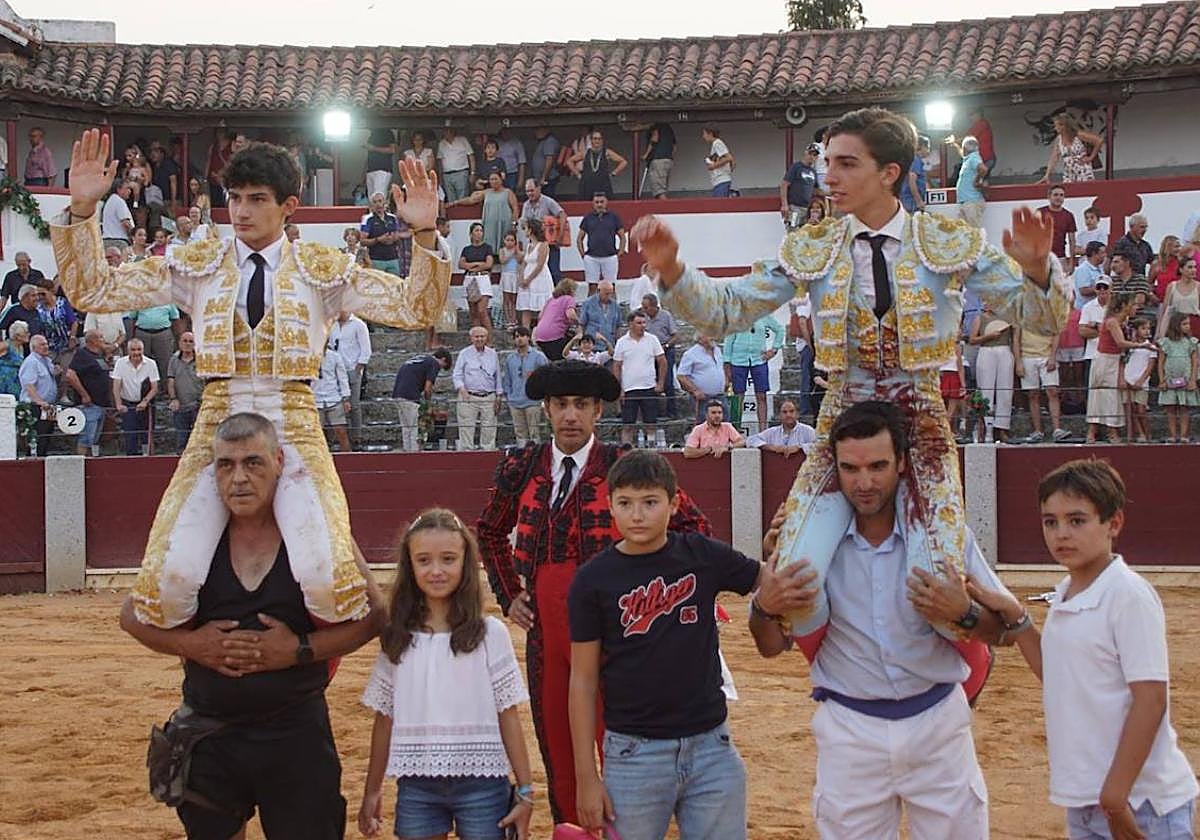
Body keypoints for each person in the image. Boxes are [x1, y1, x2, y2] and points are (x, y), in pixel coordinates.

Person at [631, 106, 1069, 639]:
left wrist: (1039, 270)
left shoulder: (947, 240)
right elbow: (729, 310)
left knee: (939, 591)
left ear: (888, 173)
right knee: (793, 587)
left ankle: (961, 663)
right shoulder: (813, 246)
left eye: (845, 164)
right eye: (825, 162)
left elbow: (1041, 316)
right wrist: (675, 271)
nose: (827, 177)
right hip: (841, 418)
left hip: (923, 421)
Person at [56, 129, 450, 630]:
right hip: (218, 425)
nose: (241, 212)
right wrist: (84, 213)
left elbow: (417, 307)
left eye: (256, 200)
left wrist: (423, 234)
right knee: (166, 586)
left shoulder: (321, 270)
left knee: (330, 584)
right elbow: (94, 290)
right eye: (234, 198)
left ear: (289, 205)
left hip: (296, 425)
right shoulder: (198, 265)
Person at [749, 401, 1009, 840]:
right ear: (836, 468)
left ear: (902, 463)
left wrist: (960, 612)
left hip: (937, 724)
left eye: (878, 466)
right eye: (850, 469)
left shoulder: (946, 536)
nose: (864, 482)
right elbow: (770, 645)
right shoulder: (807, 541)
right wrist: (762, 607)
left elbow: (1000, 631)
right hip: (849, 730)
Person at [119, 412, 385, 839]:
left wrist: (299, 649)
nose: (239, 478)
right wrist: (193, 645)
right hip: (209, 733)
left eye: (253, 462)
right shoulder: (194, 542)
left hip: (294, 731)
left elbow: (377, 616)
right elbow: (129, 615)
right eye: (226, 465)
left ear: (279, 461)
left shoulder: (315, 533)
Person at [476, 360, 711, 824]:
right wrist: (509, 595)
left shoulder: (625, 466)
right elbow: (488, 531)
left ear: (597, 411)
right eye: (561, 405)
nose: (570, 416)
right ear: (546, 409)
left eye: (581, 405)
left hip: (618, 631)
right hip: (547, 629)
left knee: (620, 743)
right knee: (559, 745)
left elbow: (691, 529)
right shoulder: (522, 466)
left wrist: (652, 602)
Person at [965, 459, 1199, 840]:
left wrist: (1115, 794)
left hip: (1142, 803)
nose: (1061, 534)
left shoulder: (1128, 595)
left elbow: (1151, 698)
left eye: (1077, 521)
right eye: (1050, 521)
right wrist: (1019, 618)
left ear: (1114, 523)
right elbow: (1060, 675)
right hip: (1088, 799)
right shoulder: (1066, 593)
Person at [568, 451, 756, 840]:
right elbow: (582, 680)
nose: (637, 515)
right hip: (633, 754)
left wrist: (789, 542)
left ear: (673, 505)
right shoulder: (592, 581)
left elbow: (766, 581)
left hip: (711, 749)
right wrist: (586, 776)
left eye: (650, 502)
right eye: (626, 503)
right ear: (610, 506)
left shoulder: (702, 555)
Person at [358, 508, 535, 840]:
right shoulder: (396, 639)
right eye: (424, 560)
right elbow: (384, 721)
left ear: (465, 563)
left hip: (484, 784)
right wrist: (372, 791)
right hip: (416, 785)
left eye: (448, 559)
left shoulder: (490, 634)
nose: (436, 570)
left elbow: (508, 714)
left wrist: (525, 790)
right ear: (410, 567)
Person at [1086, 293, 1145, 443]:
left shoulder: (1122, 322)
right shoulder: (1112, 322)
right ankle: (1092, 432)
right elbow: (1120, 342)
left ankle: (1112, 432)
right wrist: (1141, 345)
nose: (1135, 308)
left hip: (1115, 360)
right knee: (1099, 394)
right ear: (1124, 306)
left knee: (1113, 397)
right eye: (1133, 305)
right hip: (1104, 360)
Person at [723, 314, 784, 432]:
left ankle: (763, 430)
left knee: (761, 396)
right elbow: (729, 339)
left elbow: (780, 330)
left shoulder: (764, 314)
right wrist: (727, 362)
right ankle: (735, 429)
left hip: (759, 360)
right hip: (738, 360)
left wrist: (774, 349)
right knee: (738, 396)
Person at [1014, 313, 1070, 443]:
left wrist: (1052, 356)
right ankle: (1037, 430)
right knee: (1032, 394)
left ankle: (1057, 429)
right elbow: (1016, 339)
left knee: (1052, 391)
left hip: (1046, 355)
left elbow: (1056, 335)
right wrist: (1018, 362)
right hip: (1027, 357)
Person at [613, 311, 666, 446]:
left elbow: (662, 361)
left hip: (649, 387)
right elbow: (617, 366)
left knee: (651, 423)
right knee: (628, 425)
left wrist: (660, 383)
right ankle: (625, 452)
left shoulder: (652, 339)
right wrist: (618, 389)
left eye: (644, 323)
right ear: (630, 324)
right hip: (629, 389)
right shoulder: (622, 342)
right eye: (639, 323)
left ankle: (651, 450)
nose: (642, 326)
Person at [391, 347, 452, 452]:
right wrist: (428, 404)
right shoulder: (434, 363)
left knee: (406, 428)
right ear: (443, 359)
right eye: (443, 366)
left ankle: (407, 452)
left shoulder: (421, 358)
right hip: (410, 396)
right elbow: (428, 388)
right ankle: (414, 455)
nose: (440, 369)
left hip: (397, 394)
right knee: (415, 429)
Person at [969, 305, 1016, 443]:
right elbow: (972, 339)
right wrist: (988, 336)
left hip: (1004, 350)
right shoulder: (980, 318)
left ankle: (1002, 428)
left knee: (1005, 390)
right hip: (986, 351)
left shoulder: (1009, 316)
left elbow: (1014, 339)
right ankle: (985, 427)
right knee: (985, 390)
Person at [329, 311, 372, 451]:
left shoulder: (358, 325)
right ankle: (338, 438)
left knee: (354, 405)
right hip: (336, 368)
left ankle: (356, 437)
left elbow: (366, 349)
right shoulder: (332, 325)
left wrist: (358, 367)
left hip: (352, 367)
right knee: (335, 404)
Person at [454, 326, 502, 451]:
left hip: (488, 396)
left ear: (486, 338)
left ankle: (487, 451)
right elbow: (457, 374)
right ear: (471, 338)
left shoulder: (492, 354)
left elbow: (498, 376)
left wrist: (499, 396)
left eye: (482, 336)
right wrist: (462, 389)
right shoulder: (464, 354)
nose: (479, 339)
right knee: (466, 427)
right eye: (476, 336)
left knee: (489, 427)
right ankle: (467, 453)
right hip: (468, 396)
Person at [451, 170, 519, 257]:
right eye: (491, 179)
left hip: (504, 224)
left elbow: (515, 208)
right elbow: (471, 200)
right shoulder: (486, 192)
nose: (494, 181)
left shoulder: (508, 192)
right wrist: (455, 202)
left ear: (501, 180)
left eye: (496, 179)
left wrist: (514, 224)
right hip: (489, 225)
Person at [111, 337, 159, 455]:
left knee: (146, 436)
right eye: (133, 349)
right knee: (130, 436)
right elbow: (116, 385)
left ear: (143, 350)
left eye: (139, 349)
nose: (136, 352)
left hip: (146, 405)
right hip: (128, 404)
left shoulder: (151, 363)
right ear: (128, 351)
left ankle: (148, 461)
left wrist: (145, 401)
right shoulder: (120, 363)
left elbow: (155, 387)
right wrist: (118, 404)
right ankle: (130, 460)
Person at [503, 326, 550, 447]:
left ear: (528, 338)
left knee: (534, 432)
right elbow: (507, 379)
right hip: (515, 401)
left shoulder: (538, 356)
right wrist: (509, 396)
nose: (520, 339)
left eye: (522, 336)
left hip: (533, 401)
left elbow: (546, 377)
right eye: (517, 337)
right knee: (520, 433)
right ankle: (522, 457)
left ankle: (536, 456)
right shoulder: (510, 358)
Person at [1157, 311, 1199, 442]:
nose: (1188, 326)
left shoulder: (1191, 342)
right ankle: (1173, 435)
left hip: (1185, 379)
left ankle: (1184, 435)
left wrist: (1192, 379)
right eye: (1184, 324)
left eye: (1188, 324)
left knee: (1184, 408)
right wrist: (1162, 380)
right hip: (1170, 380)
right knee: (1170, 408)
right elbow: (1161, 362)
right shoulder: (1166, 342)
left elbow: (1194, 362)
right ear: (1176, 325)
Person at [576, 193, 626, 296]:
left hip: (610, 256)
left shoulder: (614, 217)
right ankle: (590, 311)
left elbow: (622, 236)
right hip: (591, 257)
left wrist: (620, 252)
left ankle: (613, 311)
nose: (599, 205)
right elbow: (579, 238)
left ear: (606, 202)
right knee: (592, 287)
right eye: (597, 202)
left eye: (601, 202)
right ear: (593, 204)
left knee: (610, 287)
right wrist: (583, 255)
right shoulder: (588, 218)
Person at [17, 333, 57, 457]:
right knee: (37, 439)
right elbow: (29, 385)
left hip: (48, 406)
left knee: (46, 438)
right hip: (36, 406)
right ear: (33, 347)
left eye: (46, 343)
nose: (46, 346)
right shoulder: (31, 362)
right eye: (42, 345)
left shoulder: (47, 360)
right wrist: (39, 401)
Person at [520, 177, 568, 281]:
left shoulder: (548, 201)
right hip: (534, 244)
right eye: (527, 191)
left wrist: (559, 235)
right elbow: (523, 223)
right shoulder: (526, 205)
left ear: (538, 189)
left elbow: (562, 214)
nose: (529, 194)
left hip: (550, 243)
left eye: (532, 190)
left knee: (554, 272)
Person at [675, 333, 727, 423]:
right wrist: (695, 390)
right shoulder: (690, 354)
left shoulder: (717, 350)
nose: (713, 337)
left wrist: (725, 381)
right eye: (709, 334)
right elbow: (681, 376)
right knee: (704, 426)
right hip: (703, 399)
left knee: (724, 424)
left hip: (720, 396)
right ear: (700, 338)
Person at [1038, 112, 1101, 184]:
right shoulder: (1059, 139)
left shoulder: (1078, 135)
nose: (1055, 128)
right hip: (1069, 173)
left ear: (1063, 126)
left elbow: (1098, 140)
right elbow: (1054, 157)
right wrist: (1047, 174)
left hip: (1084, 171)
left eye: (1056, 126)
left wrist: (1091, 157)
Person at [128, 300, 180, 386]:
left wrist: (177, 337)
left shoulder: (168, 300)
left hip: (162, 334)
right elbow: (133, 318)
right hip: (143, 333)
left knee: (165, 363)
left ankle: (165, 390)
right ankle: (144, 389)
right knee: (142, 362)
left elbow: (175, 318)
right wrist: (132, 338)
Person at [166, 331, 203, 451]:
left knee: (199, 441)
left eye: (191, 341)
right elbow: (171, 381)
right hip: (180, 407)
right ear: (179, 343)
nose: (187, 344)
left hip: (199, 406)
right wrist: (173, 399)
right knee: (181, 441)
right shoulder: (173, 360)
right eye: (185, 341)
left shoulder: (201, 360)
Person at [746, 398, 816, 456]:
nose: (788, 415)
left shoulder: (807, 430)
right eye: (784, 412)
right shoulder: (773, 432)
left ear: (797, 414)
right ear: (779, 415)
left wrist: (799, 447)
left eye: (791, 411)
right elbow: (751, 440)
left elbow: (821, 446)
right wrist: (772, 447)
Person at [359, 191, 407, 276]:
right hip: (376, 260)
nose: (378, 204)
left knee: (395, 286)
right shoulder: (367, 219)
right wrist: (378, 240)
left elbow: (397, 235)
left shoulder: (392, 218)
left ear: (384, 203)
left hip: (393, 258)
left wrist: (393, 238)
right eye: (375, 202)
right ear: (371, 205)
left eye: (380, 201)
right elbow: (362, 241)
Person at [518, 218, 554, 329]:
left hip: (539, 279)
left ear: (531, 230)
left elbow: (540, 265)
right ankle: (526, 332)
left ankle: (541, 332)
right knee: (526, 307)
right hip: (527, 277)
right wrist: (521, 277)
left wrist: (528, 280)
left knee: (542, 308)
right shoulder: (529, 245)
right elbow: (524, 262)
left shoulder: (543, 245)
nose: (524, 231)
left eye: (526, 228)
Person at [1123, 318, 1155, 442]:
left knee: (1141, 409)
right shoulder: (1129, 346)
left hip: (1142, 383)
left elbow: (1150, 367)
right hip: (1128, 380)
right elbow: (1124, 362)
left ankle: (1147, 434)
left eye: (1148, 328)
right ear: (1136, 330)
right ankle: (1139, 434)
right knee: (1130, 409)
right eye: (1143, 328)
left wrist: (1141, 381)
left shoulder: (1150, 347)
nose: (1146, 331)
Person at [570, 129, 626, 200]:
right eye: (595, 139)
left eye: (599, 139)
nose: (597, 141)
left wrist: (614, 173)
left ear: (602, 140)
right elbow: (570, 161)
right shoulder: (585, 153)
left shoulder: (606, 152)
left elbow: (623, 161)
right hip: (587, 183)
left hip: (602, 182)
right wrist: (577, 174)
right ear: (591, 140)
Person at [460, 221, 496, 331]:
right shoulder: (466, 249)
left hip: (483, 279)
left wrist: (472, 265)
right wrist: (478, 264)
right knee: (473, 312)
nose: (479, 233)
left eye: (481, 231)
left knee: (482, 310)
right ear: (471, 234)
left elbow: (489, 264)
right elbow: (461, 264)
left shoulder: (487, 248)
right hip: (470, 279)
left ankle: (489, 339)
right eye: (476, 230)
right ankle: (477, 336)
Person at [532, 278, 579, 361]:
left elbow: (540, 316)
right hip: (554, 337)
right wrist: (579, 323)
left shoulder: (551, 300)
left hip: (539, 336)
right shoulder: (568, 299)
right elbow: (570, 315)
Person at [1157, 253, 1200, 339]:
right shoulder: (1172, 286)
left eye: (1195, 267)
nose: (1194, 270)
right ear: (1181, 269)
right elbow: (1165, 311)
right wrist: (1160, 332)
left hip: (1194, 323)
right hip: (1176, 325)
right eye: (1190, 267)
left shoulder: (1198, 286)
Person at [1038, 185, 1078, 273]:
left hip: (1060, 259)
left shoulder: (1068, 215)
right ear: (1049, 197)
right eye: (1055, 195)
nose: (1058, 198)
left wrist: (1071, 263)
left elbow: (1072, 241)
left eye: (1061, 195)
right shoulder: (1040, 213)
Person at [781, 143, 822, 223]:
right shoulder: (796, 167)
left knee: (806, 232)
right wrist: (784, 204)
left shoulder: (813, 172)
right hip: (795, 207)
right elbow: (784, 184)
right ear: (805, 153)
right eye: (810, 153)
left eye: (814, 155)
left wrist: (830, 193)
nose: (812, 157)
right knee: (793, 230)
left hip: (807, 209)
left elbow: (816, 190)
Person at [954, 136, 988, 227]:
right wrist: (955, 144)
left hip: (971, 202)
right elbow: (962, 154)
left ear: (965, 148)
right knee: (964, 231)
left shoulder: (973, 158)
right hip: (967, 201)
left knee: (974, 232)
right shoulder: (969, 158)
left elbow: (983, 169)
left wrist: (976, 180)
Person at [577, 280, 621, 349]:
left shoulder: (615, 305)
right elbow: (581, 324)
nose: (609, 296)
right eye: (606, 294)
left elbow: (618, 326)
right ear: (598, 291)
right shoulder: (588, 303)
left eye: (611, 294)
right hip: (593, 345)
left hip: (610, 345)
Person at [437, 127, 475, 203]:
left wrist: (472, 173)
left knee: (463, 199)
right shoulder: (441, 143)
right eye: (445, 131)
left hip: (461, 173)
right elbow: (439, 161)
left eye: (449, 130)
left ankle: (462, 215)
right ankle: (453, 215)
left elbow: (471, 157)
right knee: (451, 201)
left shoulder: (462, 140)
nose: (447, 133)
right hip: (447, 175)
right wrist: (440, 177)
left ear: (453, 131)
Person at [641, 122, 676, 199]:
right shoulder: (669, 128)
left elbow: (654, 139)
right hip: (668, 160)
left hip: (658, 160)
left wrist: (646, 155)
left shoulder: (656, 126)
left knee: (658, 190)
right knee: (663, 188)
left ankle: (665, 207)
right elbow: (674, 146)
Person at [497, 230, 523, 327]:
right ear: (504, 241)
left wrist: (517, 252)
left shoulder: (517, 251)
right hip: (506, 275)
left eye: (512, 240)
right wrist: (511, 254)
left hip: (515, 275)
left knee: (514, 299)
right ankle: (508, 319)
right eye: (508, 240)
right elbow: (502, 261)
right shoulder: (502, 250)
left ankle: (514, 318)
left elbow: (521, 260)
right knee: (506, 298)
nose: (510, 242)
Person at [101, 180, 136, 250]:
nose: (130, 191)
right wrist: (133, 237)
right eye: (127, 188)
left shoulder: (110, 201)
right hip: (118, 241)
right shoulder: (119, 201)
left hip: (107, 240)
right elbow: (126, 223)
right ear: (119, 189)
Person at [701, 125, 735, 197]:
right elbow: (731, 160)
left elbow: (729, 158)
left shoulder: (717, 143)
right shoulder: (716, 144)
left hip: (721, 180)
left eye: (704, 134)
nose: (703, 136)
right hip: (720, 180)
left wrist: (713, 166)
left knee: (719, 206)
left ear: (710, 134)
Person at [899, 135, 929, 213]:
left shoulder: (911, 159)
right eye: (927, 147)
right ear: (921, 147)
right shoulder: (916, 160)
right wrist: (919, 201)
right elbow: (912, 181)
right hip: (911, 202)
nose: (928, 150)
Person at [364, 128, 396, 199]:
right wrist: (364, 171)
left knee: (379, 197)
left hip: (382, 169)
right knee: (371, 199)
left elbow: (392, 150)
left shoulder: (387, 132)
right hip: (370, 169)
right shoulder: (372, 135)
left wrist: (374, 148)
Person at [530, 126, 561, 198]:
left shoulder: (550, 141)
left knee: (548, 199)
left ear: (546, 130)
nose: (536, 132)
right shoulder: (542, 142)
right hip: (540, 178)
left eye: (538, 129)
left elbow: (549, 160)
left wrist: (544, 178)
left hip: (549, 178)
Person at [1073, 241, 1106, 309]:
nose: (1105, 255)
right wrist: (1103, 288)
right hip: (1084, 310)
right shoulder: (1083, 269)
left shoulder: (1100, 268)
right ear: (1094, 254)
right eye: (1102, 253)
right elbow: (1083, 291)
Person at [965, 107, 996, 175]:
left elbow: (967, 138)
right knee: (981, 180)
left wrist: (953, 140)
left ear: (978, 114)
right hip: (985, 159)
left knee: (976, 180)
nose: (970, 117)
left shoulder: (981, 124)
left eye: (971, 115)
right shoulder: (982, 124)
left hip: (985, 159)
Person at [495, 127, 527, 192]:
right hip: (498, 173)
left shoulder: (517, 143)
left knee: (510, 193)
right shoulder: (496, 142)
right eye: (504, 131)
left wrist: (520, 181)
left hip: (512, 174)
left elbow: (522, 162)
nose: (505, 133)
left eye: (507, 131)